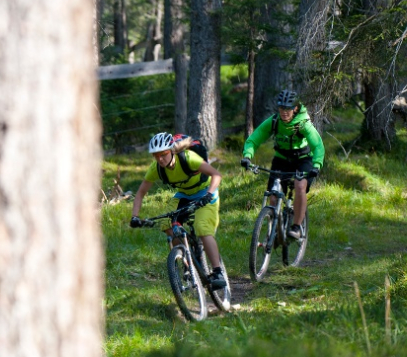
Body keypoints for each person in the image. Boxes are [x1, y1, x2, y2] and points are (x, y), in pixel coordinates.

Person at [130, 132, 226, 290]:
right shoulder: (157, 169)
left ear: (171, 151)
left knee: (202, 227)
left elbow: (216, 175)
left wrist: (208, 194)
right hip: (184, 195)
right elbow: (140, 193)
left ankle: (218, 272)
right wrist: (135, 216)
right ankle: (186, 263)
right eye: (156, 156)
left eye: (163, 154)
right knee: (166, 223)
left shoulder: (188, 158)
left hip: (205, 192)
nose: (160, 159)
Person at [240, 90, 325, 240]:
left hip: (303, 160)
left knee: (300, 186)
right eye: (281, 108)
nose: (284, 112)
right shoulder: (274, 122)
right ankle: (274, 230)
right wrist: (247, 156)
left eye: (288, 109)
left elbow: (317, 146)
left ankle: (297, 226)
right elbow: (254, 139)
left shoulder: (303, 124)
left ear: (295, 109)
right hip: (281, 160)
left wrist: (316, 165)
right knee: (273, 196)